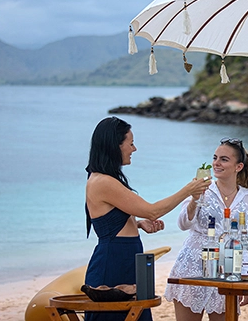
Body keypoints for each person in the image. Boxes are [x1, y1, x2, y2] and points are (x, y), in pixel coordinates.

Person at [84, 117, 210, 321]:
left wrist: (137, 225)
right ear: (114, 146)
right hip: (113, 262)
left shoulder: (107, 180)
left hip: (128, 257)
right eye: (131, 143)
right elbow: (152, 211)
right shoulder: (103, 181)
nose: (134, 149)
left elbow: (109, 221)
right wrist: (188, 190)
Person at [164, 137, 248, 321]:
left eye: (224, 159)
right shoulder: (202, 189)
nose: (216, 163)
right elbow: (183, 224)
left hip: (228, 271)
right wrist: (194, 199)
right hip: (193, 266)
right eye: (215, 157)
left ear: (238, 167)